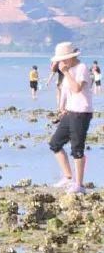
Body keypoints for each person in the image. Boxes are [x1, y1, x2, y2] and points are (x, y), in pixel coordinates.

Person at [47, 42, 93, 194]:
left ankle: (79, 185)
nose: (62, 62)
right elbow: (66, 91)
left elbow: (77, 89)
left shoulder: (82, 68)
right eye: (61, 59)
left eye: (64, 59)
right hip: (70, 112)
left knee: (77, 148)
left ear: (72, 57)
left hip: (81, 112)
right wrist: (61, 109)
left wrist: (66, 72)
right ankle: (67, 177)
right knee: (55, 143)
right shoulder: (69, 69)